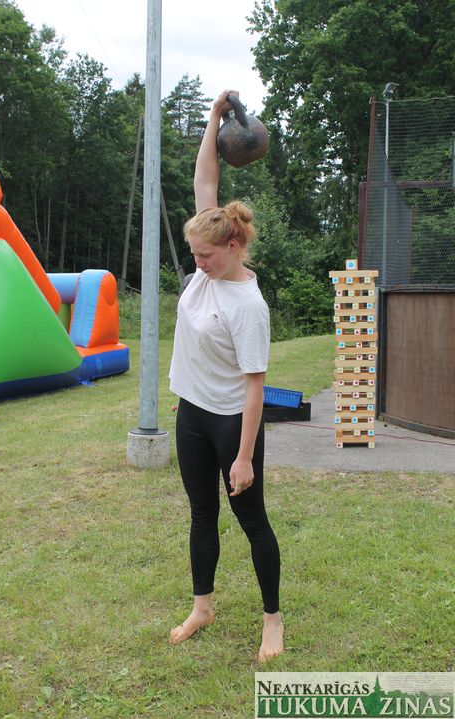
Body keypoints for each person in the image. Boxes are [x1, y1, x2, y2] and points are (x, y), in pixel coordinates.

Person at [168, 90, 284, 662]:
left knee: (252, 520)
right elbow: (205, 179)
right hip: (193, 413)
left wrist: (243, 457)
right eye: (194, 255)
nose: (198, 265)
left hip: (232, 422)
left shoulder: (248, 307)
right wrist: (215, 120)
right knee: (201, 513)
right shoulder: (208, 264)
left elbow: (255, 387)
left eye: (205, 257)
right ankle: (203, 606)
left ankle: (272, 621)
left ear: (233, 247)